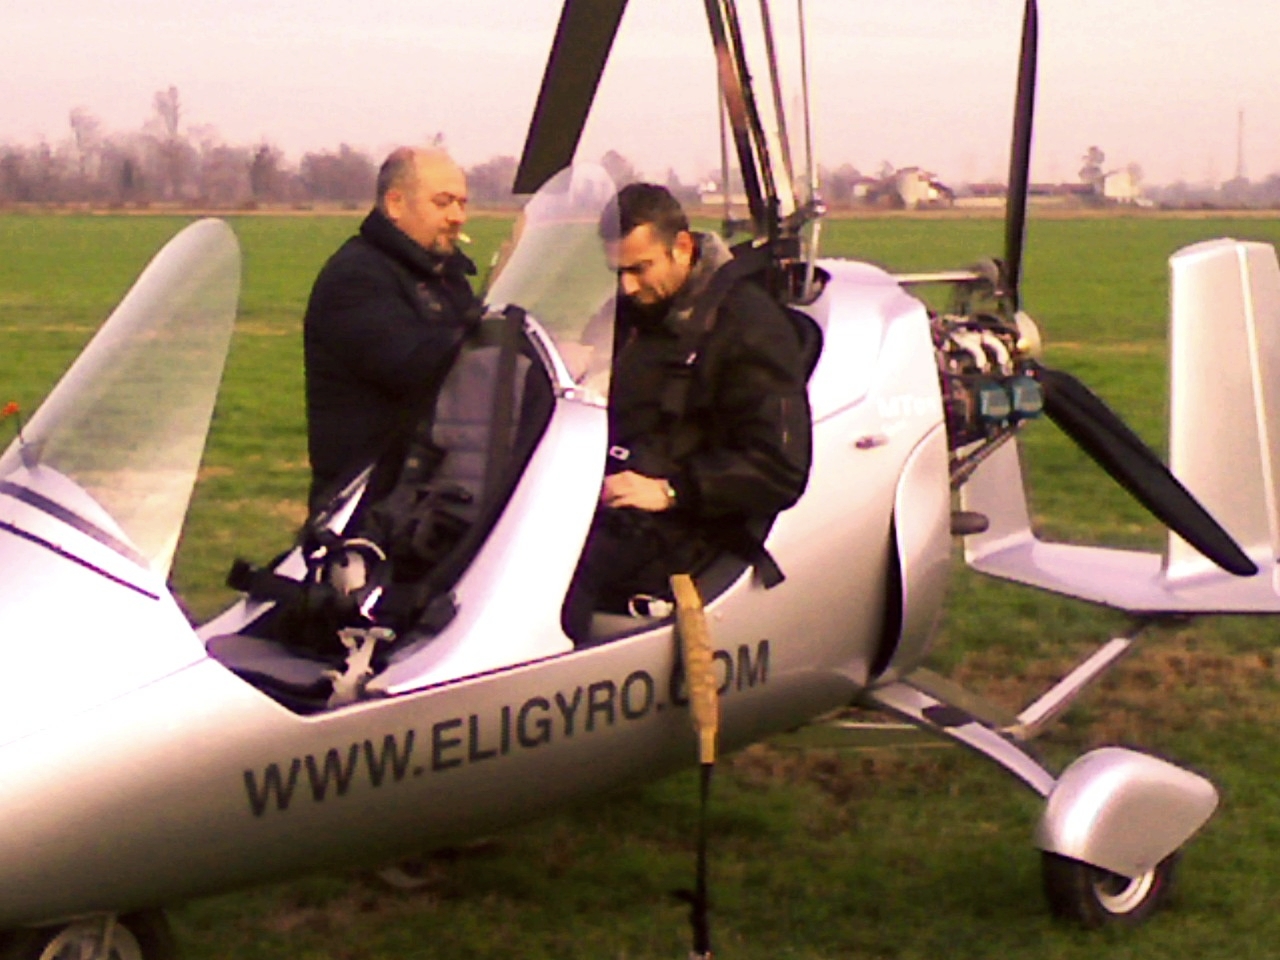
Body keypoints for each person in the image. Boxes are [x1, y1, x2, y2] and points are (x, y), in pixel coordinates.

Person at [563, 183, 812, 643]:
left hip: (689, 520)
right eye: (617, 272)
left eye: (640, 269)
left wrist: (672, 489)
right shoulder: (631, 311)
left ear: (682, 247)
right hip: (608, 493)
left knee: (563, 570)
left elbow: (779, 468)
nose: (627, 286)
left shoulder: (748, 327)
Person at [303, 147, 480, 511]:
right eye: (443, 203)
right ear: (395, 203)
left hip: (429, 494)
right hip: (369, 505)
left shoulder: (445, 275)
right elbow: (423, 370)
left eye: (462, 203)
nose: (457, 217)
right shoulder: (356, 278)